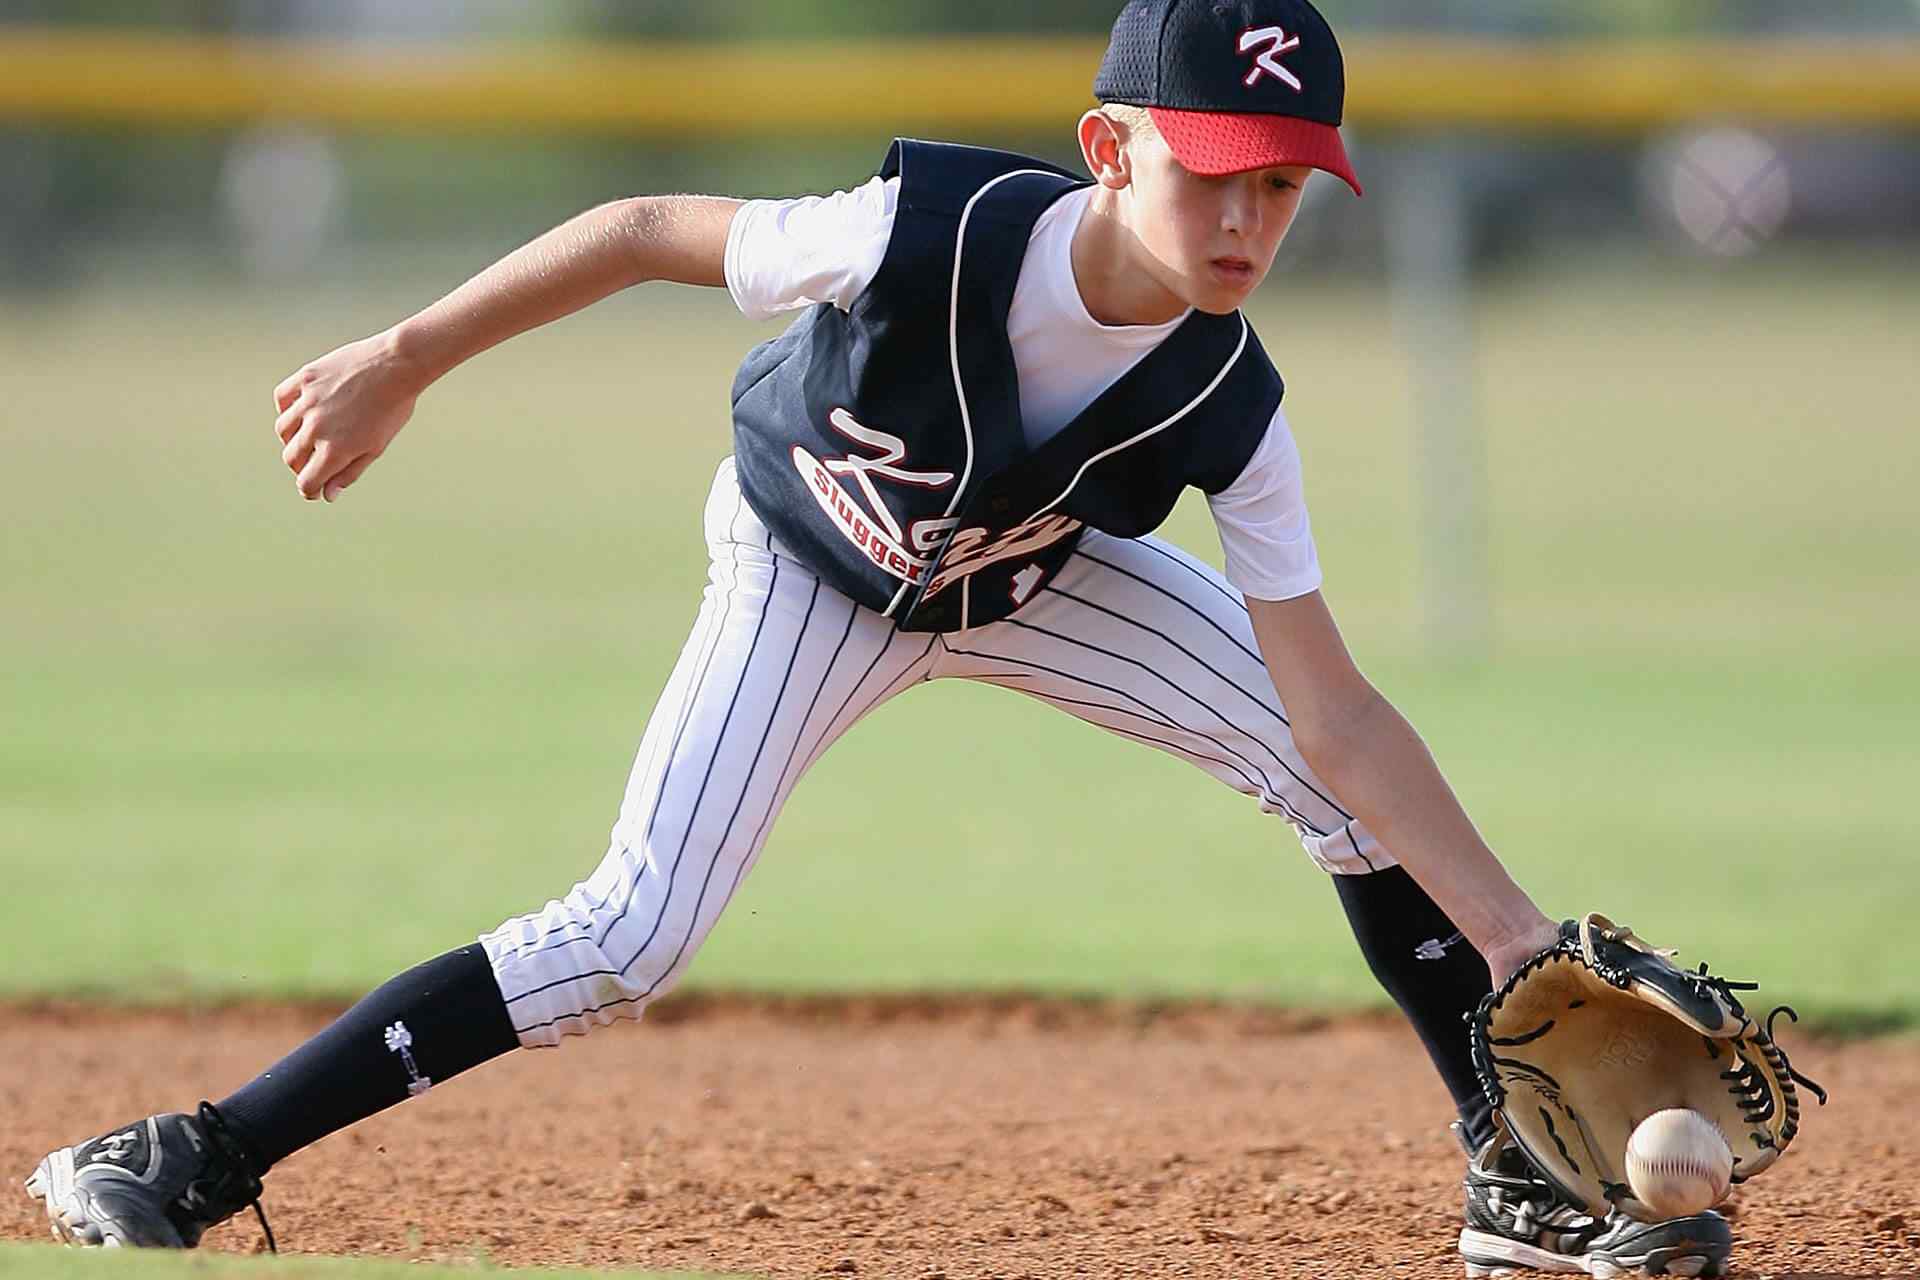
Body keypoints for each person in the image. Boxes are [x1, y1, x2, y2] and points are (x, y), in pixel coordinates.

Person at [23, 1, 1734, 1274]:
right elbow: (636, 234)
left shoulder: (1235, 401)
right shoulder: (928, 237)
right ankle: (191, 1150)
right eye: (1215, 169)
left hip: (1032, 579)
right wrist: (404, 355)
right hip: (805, 567)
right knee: (631, 933)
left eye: (1284, 185)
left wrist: (1519, 942)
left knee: (1333, 785)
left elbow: (1338, 711)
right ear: (1111, 147)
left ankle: (1512, 1179)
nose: (1245, 221)